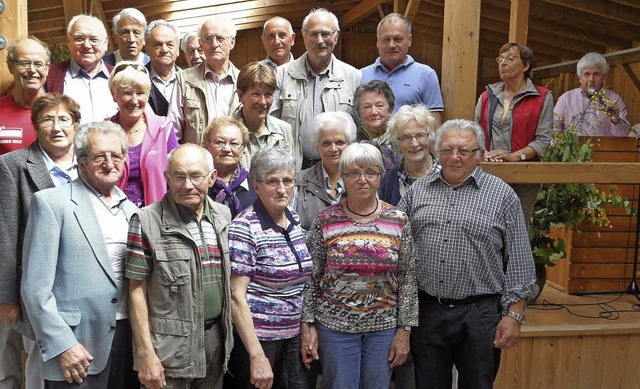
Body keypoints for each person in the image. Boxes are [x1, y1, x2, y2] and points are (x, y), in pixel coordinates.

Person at [398, 119, 535, 389]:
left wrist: (514, 315)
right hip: (428, 312)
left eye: (464, 150)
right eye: (447, 150)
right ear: (437, 152)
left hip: (480, 314)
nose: (455, 157)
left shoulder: (502, 195)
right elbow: (396, 248)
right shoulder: (417, 192)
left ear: (480, 154)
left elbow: (519, 259)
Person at [21, 121, 139, 388]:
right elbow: (34, 290)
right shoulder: (52, 203)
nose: (109, 163)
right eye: (99, 156)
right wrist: (63, 345)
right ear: (81, 161)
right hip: (77, 346)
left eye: (116, 156)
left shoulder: (134, 211)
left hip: (127, 338)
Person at [301, 143, 417, 389]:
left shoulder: (398, 220)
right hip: (335, 328)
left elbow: (407, 278)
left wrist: (404, 330)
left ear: (380, 176)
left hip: (383, 329)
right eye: (354, 173)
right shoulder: (326, 219)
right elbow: (311, 277)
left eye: (370, 172)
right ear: (343, 177)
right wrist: (307, 323)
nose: (362, 180)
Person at [126, 144, 234, 389]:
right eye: (179, 176)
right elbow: (135, 291)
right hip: (167, 350)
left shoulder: (222, 216)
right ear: (167, 178)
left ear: (212, 178)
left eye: (196, 176)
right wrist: (145, 355)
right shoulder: (145, 221)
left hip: (215, 344)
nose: (187, 185)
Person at [0, 93, 80, 389]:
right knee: (40, 365)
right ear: (35, 125)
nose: (57, 127)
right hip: (35, 286)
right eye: (48, 119)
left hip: (81, 283)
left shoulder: (88, 164)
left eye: (64, 119)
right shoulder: (13, 165)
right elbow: (5, 233)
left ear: (75, 126)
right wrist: (6, 297)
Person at [227, 147, 312, 389]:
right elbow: (236, 296)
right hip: (259, 340)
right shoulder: (245, 227)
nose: (282, 189)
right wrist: (256, 355)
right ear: (256, 186)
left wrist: (305, 329)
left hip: (292, 337)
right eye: (272, 181)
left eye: (287, 180)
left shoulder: (293, 219)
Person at [271, 8, 361, 169]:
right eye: (313, 34)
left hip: (338, 169)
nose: (320, 40)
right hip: (294, 169)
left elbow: (359, 128)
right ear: (304, 36)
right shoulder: (281, 75)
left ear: (336, 36)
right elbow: (271, 125)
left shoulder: (353, 77)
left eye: (326, 34)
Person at [474, 42, 553, 223]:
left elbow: (543, 141)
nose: (503, 63)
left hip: (523, 177)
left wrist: (513, 157)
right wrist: (483, 153)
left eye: (510, 58)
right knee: (486, 226)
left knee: (518, 228)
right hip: (489, 174)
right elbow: (475, 134)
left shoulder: (542, 97)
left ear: (525, 65)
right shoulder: (487, 95)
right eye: (500, 59)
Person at [107, 61, 179, 207]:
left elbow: (177, 174)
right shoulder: (104, 132)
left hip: (157, 215)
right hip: (114, 215)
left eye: (140, 93)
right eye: (127, 93)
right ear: (114, 95)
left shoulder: (163, 129)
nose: (134, 100)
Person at [361, 13, 444, 126]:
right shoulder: (360, 75)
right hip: (368, 143)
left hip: (411, 143)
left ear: (409, 40)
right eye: (386, 39)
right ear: (377, 41)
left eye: (398, 39)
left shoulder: (426, 75)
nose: (391, 45)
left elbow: (434, 124)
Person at [168, 16, 241, 144]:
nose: (214, 44)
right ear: (201, 43)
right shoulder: (184, 80)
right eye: (208, 39)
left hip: (235, 161)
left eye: (220, 38)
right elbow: (173, 132)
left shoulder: (244, 81)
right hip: (197, 162)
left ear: (232, 42)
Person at [45, 14, 117, 123]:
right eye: (79, 39)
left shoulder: (120, 75)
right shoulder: (50, 75)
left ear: (105, 43)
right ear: (68, 42)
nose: (87, 45)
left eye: (93, 39)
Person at [293, 111, 357, 233]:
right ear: (317, 147)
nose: (333, 149)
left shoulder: (362, 181)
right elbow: (290, 227)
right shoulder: (299, 182)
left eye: (339, 142)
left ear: (349, 144)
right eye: (326, 143)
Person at [233, 62, 295, 170]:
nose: (263, 102)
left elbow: (290, 172)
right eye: (256, 94)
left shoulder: (284, 130)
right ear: (241, 95)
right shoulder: (226, 131)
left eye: (268, 95)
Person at [554, 52, 629, 136]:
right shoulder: (566, 99)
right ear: (580, 78)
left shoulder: (614, 100)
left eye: (596, 74)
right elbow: (553, 129)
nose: (591, 79)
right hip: (572, 148)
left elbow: (623, 135)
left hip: (604, 148)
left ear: (603, 77)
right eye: (587, 74)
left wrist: (616, 121)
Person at [380, 104, 440, 206]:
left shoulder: (447, 175)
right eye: (406, 137)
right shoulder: (388, 181)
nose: (414, 144)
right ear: (397, 143)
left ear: (430, 138)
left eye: (420, 135)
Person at [0, 38, 50, 155]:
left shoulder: (59, 111)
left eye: (38, 64)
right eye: (24, 63)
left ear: (47, 68)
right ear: (10, 66)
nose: (32, 70)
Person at [203, 116, 257, 219]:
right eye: (220, 142)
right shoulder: (199, 183)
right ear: (207, 144)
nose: (227, 149)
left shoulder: (256, 185)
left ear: (243, 148)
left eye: (234, 143)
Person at [354, 80, 400, 171]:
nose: (374, 112)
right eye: (367, 107)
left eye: (379, 106)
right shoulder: (352, 142)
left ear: (390, 109)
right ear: (358, 112)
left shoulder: (401, 137)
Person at [145, 19, 182, 117]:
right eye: (158, 45)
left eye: (170, 45)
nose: (165, 50)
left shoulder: (188, 81)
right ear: (147, 50)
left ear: (177, 49)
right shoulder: (137, 79)